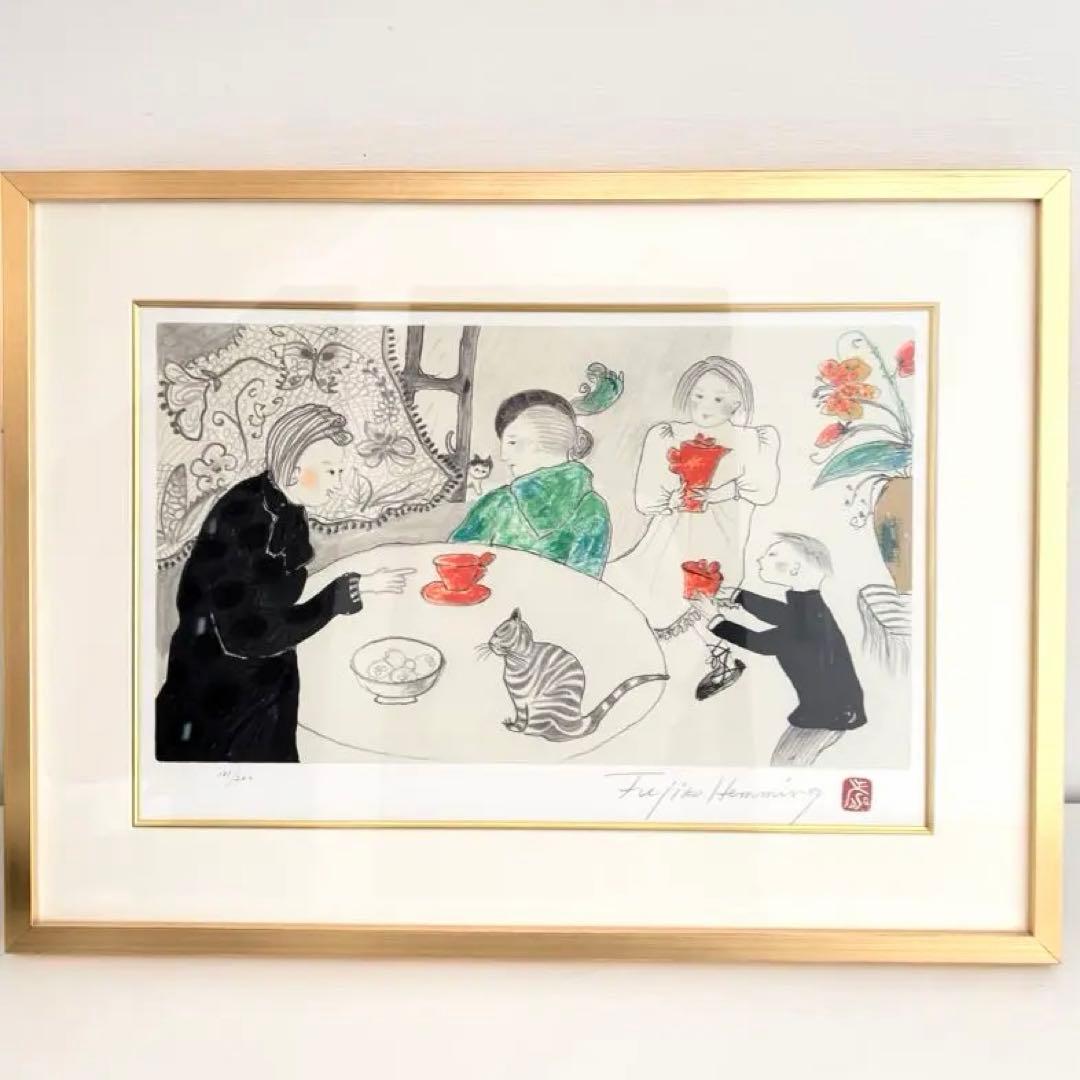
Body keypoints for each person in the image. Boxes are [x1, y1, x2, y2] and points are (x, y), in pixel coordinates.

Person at [156, 404, 414, 763]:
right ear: (293, 469)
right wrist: (342, 593)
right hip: (219, 696)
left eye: (341, 471)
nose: (339, 483)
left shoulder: (288, 507)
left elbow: (283, 588)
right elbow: (247, 635)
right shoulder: (241, 515)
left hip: (267, 676)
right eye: (331, 471)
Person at [604, 356, 780, 667]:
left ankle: (717, 657)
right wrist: (673, 499)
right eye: (698, 396)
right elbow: (646, 497)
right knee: (654, 588)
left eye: (718, 399)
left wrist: (717, 493)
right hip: (670, 534)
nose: (705, 406)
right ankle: (674, 659)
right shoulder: (667, 435)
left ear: (737, 402)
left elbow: (763, 490)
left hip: (720, 535)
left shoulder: (753, 440)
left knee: (701, 594)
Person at [703, 533, 867, 767]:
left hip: (825, 716)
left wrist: (715, 620)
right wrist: (737, 596)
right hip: (833, 710)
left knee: (783, 765)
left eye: (772, 554)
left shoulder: (807, 617)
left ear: (795, 569)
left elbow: (761, 643)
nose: (760, 559)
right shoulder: (809, 606)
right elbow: (781, 614)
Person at [449, 389, 611, 577]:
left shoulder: (497, 503)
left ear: (549, 441)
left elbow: (454, 565)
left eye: (512, 442)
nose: (503, 455)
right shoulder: (594, 510)